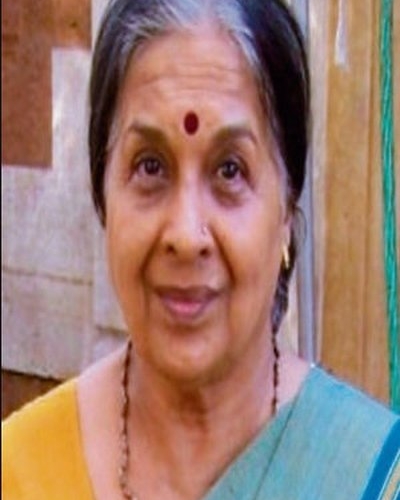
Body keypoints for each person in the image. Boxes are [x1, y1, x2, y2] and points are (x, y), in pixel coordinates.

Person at [2, 0, 399, 498]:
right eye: (150, 166)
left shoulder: (374, 479)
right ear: (103, 197)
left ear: (285, 211)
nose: (187, 236)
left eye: (230, 169)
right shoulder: (19, 473)